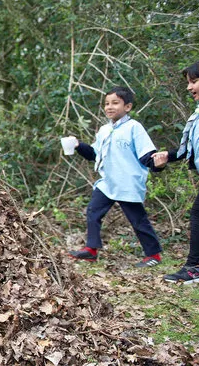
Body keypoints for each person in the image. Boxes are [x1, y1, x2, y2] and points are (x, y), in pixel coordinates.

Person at [68, 86, 164, 267]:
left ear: (127, 107)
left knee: (137, 219)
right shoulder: (104, 130)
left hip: (127, 182)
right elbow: (94, 154)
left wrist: (158, 164)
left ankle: (153, 255)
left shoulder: (134, 127)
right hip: (108, 182)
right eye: (106, 103)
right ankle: (91, 249)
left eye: (115, 103)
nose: (109, 107)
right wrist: (78, 145)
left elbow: (147, 154)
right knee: (93, 211)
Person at [153, 58, 199, 284]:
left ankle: (194, 268)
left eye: (194, 81)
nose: (189, 87)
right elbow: (193, 147)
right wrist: (170, 155)